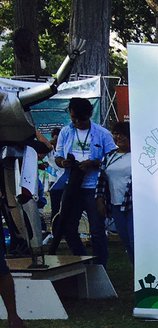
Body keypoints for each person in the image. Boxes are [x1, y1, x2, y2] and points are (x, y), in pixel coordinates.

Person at [48, 97, 116, 266]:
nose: (76, 122)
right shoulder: (66, 132)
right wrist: (63, 163)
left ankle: (100, 267)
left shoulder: (102, 133)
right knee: (68, 227)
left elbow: (113, 158)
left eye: (80, 119)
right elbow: (58, 156)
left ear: (88, 115)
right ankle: (83, 262)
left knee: (97, 230)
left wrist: (94, 163)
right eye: (73, 118)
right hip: (72, 184)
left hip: (94, 186)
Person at [100, 122, 134, 260]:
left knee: (134, 240)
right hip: (115, 205)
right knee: (125, 240)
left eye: (122, 134)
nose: (118, 137)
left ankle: (141, 269)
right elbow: (101, 180)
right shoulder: (109, 156)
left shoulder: (137, 155)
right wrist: (100, 199)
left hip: (132, 205)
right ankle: (134, 268)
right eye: (115, 134)